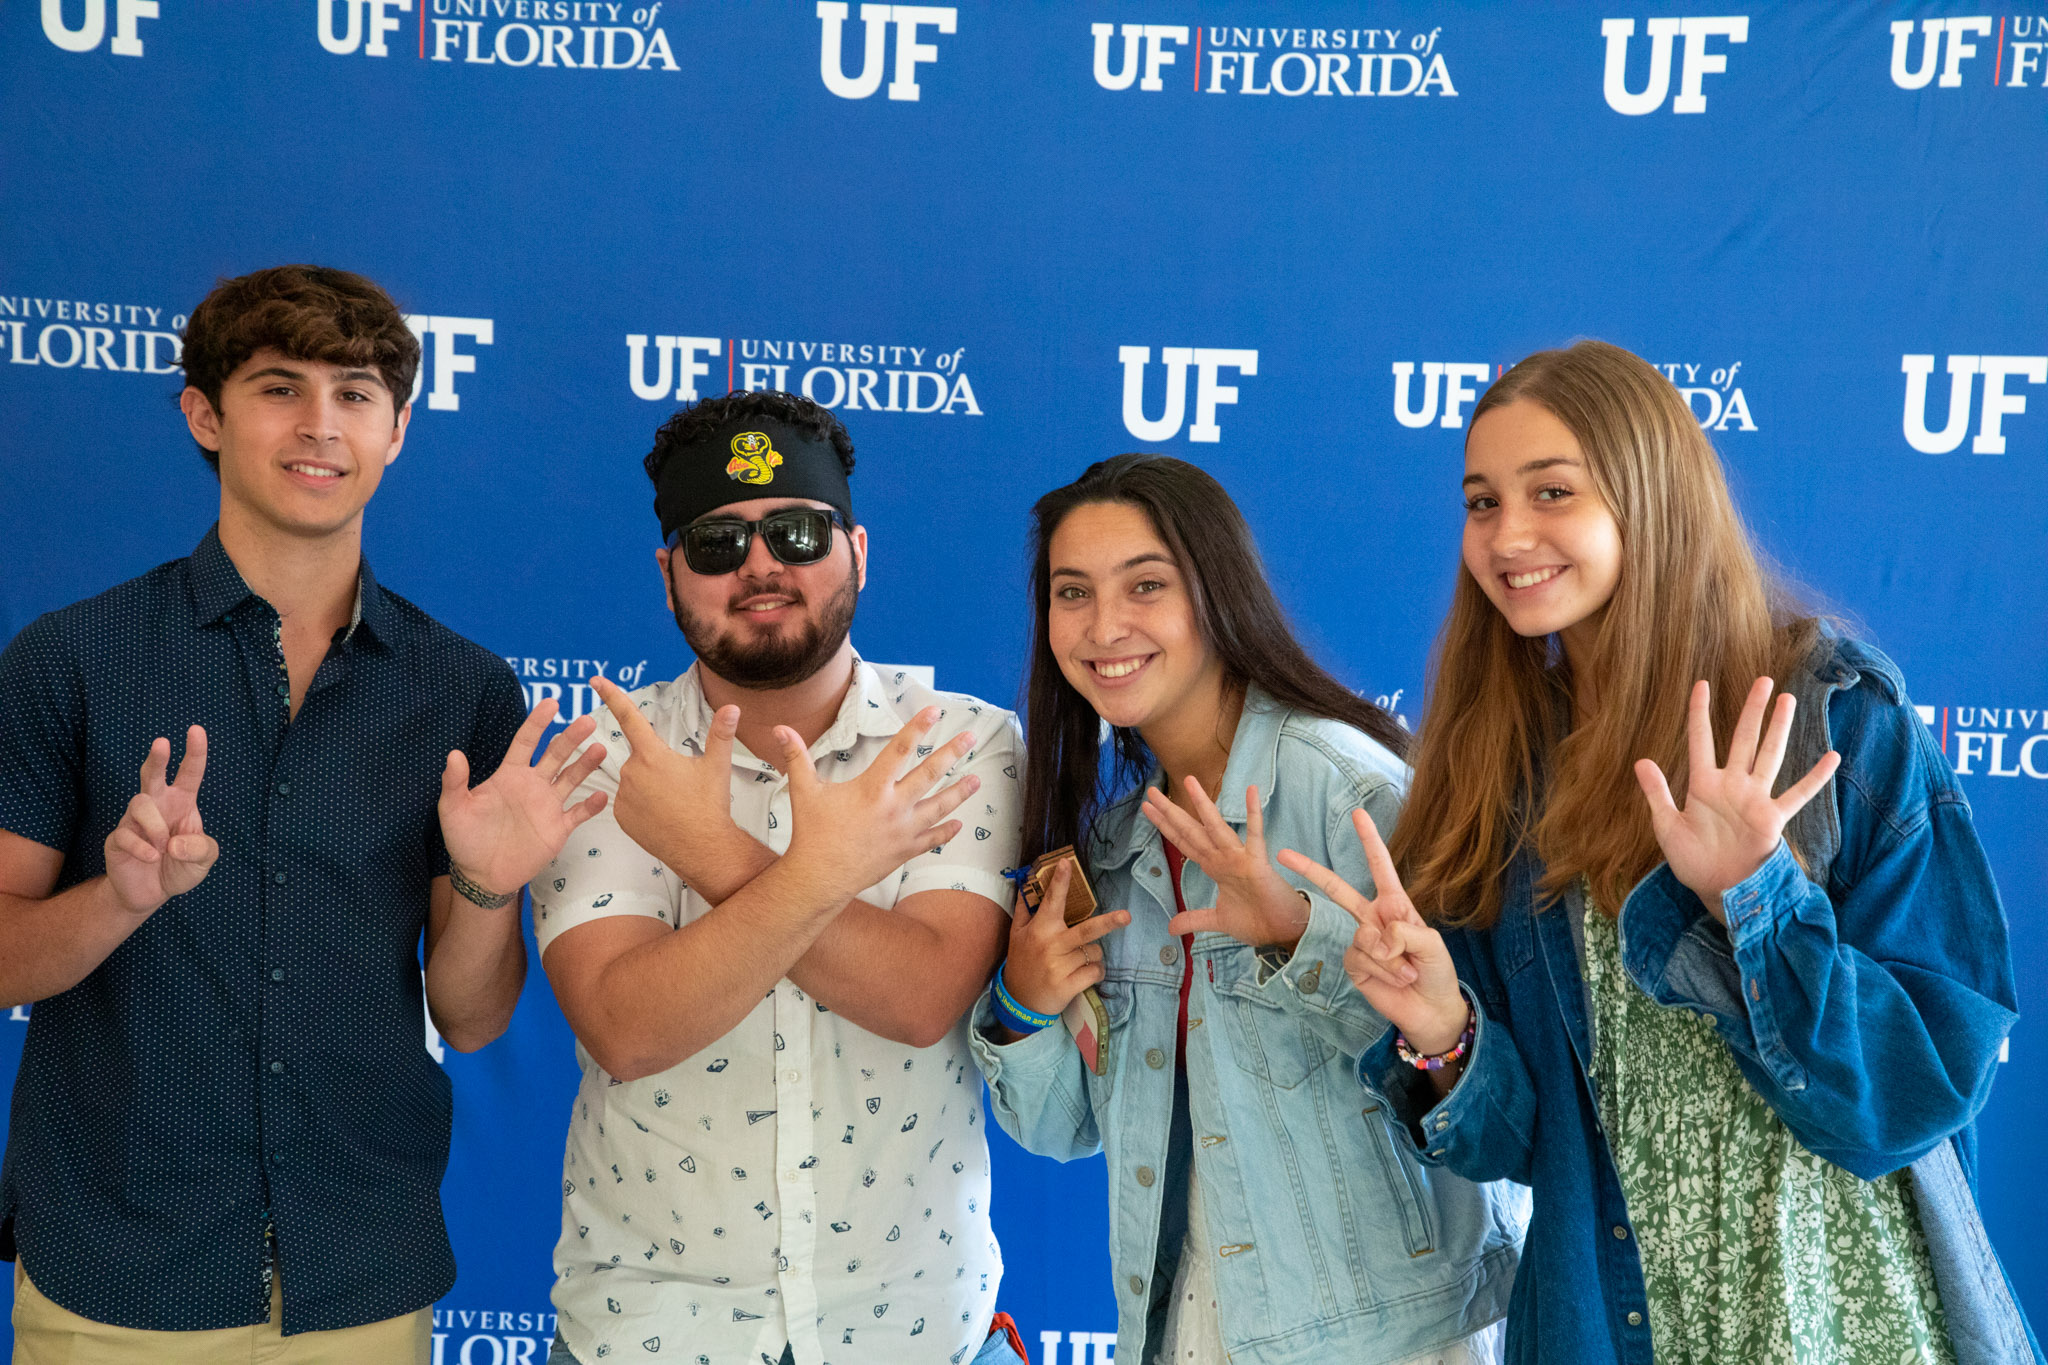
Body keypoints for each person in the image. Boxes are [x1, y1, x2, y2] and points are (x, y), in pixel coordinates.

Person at [1282, 340, 2042, 1365]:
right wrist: (1440, 1032)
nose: (1508, 535)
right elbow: (1516, 1146)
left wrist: (1754, 901)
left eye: (1550, 491)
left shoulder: (1824, 716)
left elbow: (1912, 1094)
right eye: (1480, 502)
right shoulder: (1498, 762)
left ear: (1649, 493)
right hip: (1610, 1325)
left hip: (1842, 1318)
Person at [0, 265, 605, 1363]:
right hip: (119, 1275)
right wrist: (120, 898)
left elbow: (469, 1019)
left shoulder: (461, 689)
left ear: (398, 430)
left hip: (358, 1279)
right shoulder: (71, 660)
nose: (320, 425)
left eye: (356, 393)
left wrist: (483, 882)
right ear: (205, 414)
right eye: (279, 388)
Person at [971, 454, 1524, 1365]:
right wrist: (1023, 1008)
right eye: (1072, 592)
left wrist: (1298, 935)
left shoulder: (1350, 789)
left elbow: (1482, 1093)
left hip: (1386, 1334)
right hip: (1190, 1322)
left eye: (1145, 584)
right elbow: (1061, 1127)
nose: (1105, 625)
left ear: (1216, 591)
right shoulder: (1111, 847)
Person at [517, 390, 1029, 1365]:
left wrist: (713, 856)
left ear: (857, 552)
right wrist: (821, 880)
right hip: (648, 1338)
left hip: (916, 1336)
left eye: (796, 532)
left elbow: (920, 996)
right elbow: (629, 1028)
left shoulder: (959, 743)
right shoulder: (606, 760)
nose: (760, 566)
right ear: (670, 576)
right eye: (717, 544)